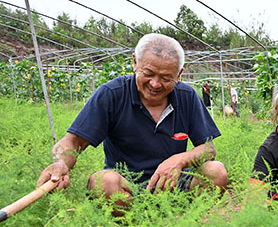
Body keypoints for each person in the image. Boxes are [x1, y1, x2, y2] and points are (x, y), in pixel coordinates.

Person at [36, 33, 228, 216]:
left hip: (172, 184)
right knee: (103, 182)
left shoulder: (187, 97)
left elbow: (208, 148)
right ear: (135, 63)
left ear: (179, 74)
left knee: (215, 172)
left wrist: (180, 160)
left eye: (166, 78)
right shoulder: (112, 94)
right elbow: (73, 142)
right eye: (149, 73)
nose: (155, 84)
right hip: (126, 186)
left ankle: (184, 223)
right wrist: (60, 163)